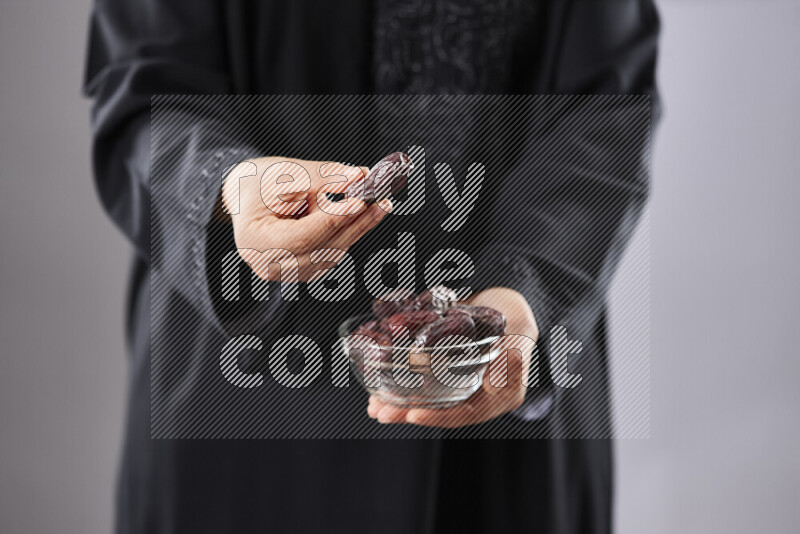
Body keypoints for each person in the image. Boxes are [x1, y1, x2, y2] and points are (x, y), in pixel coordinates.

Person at [84, 1, 659, 532]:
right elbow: (144, 88)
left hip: (505, 406)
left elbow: (608, 103)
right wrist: (227, 185)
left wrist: (528, 284)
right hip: (247, 410)